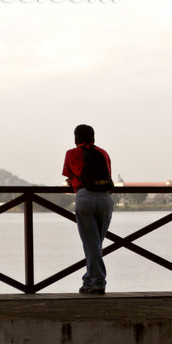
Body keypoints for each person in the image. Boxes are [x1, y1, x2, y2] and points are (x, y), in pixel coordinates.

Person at [62, 124, 114, 295]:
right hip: (105, 199)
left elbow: (70, 177)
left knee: (91, 244)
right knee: (96, 244)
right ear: (93, 138)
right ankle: (91, 279)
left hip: (85, 198)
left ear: (76, 139)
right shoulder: (103, 153)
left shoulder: (72, 153)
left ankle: (97, 282)